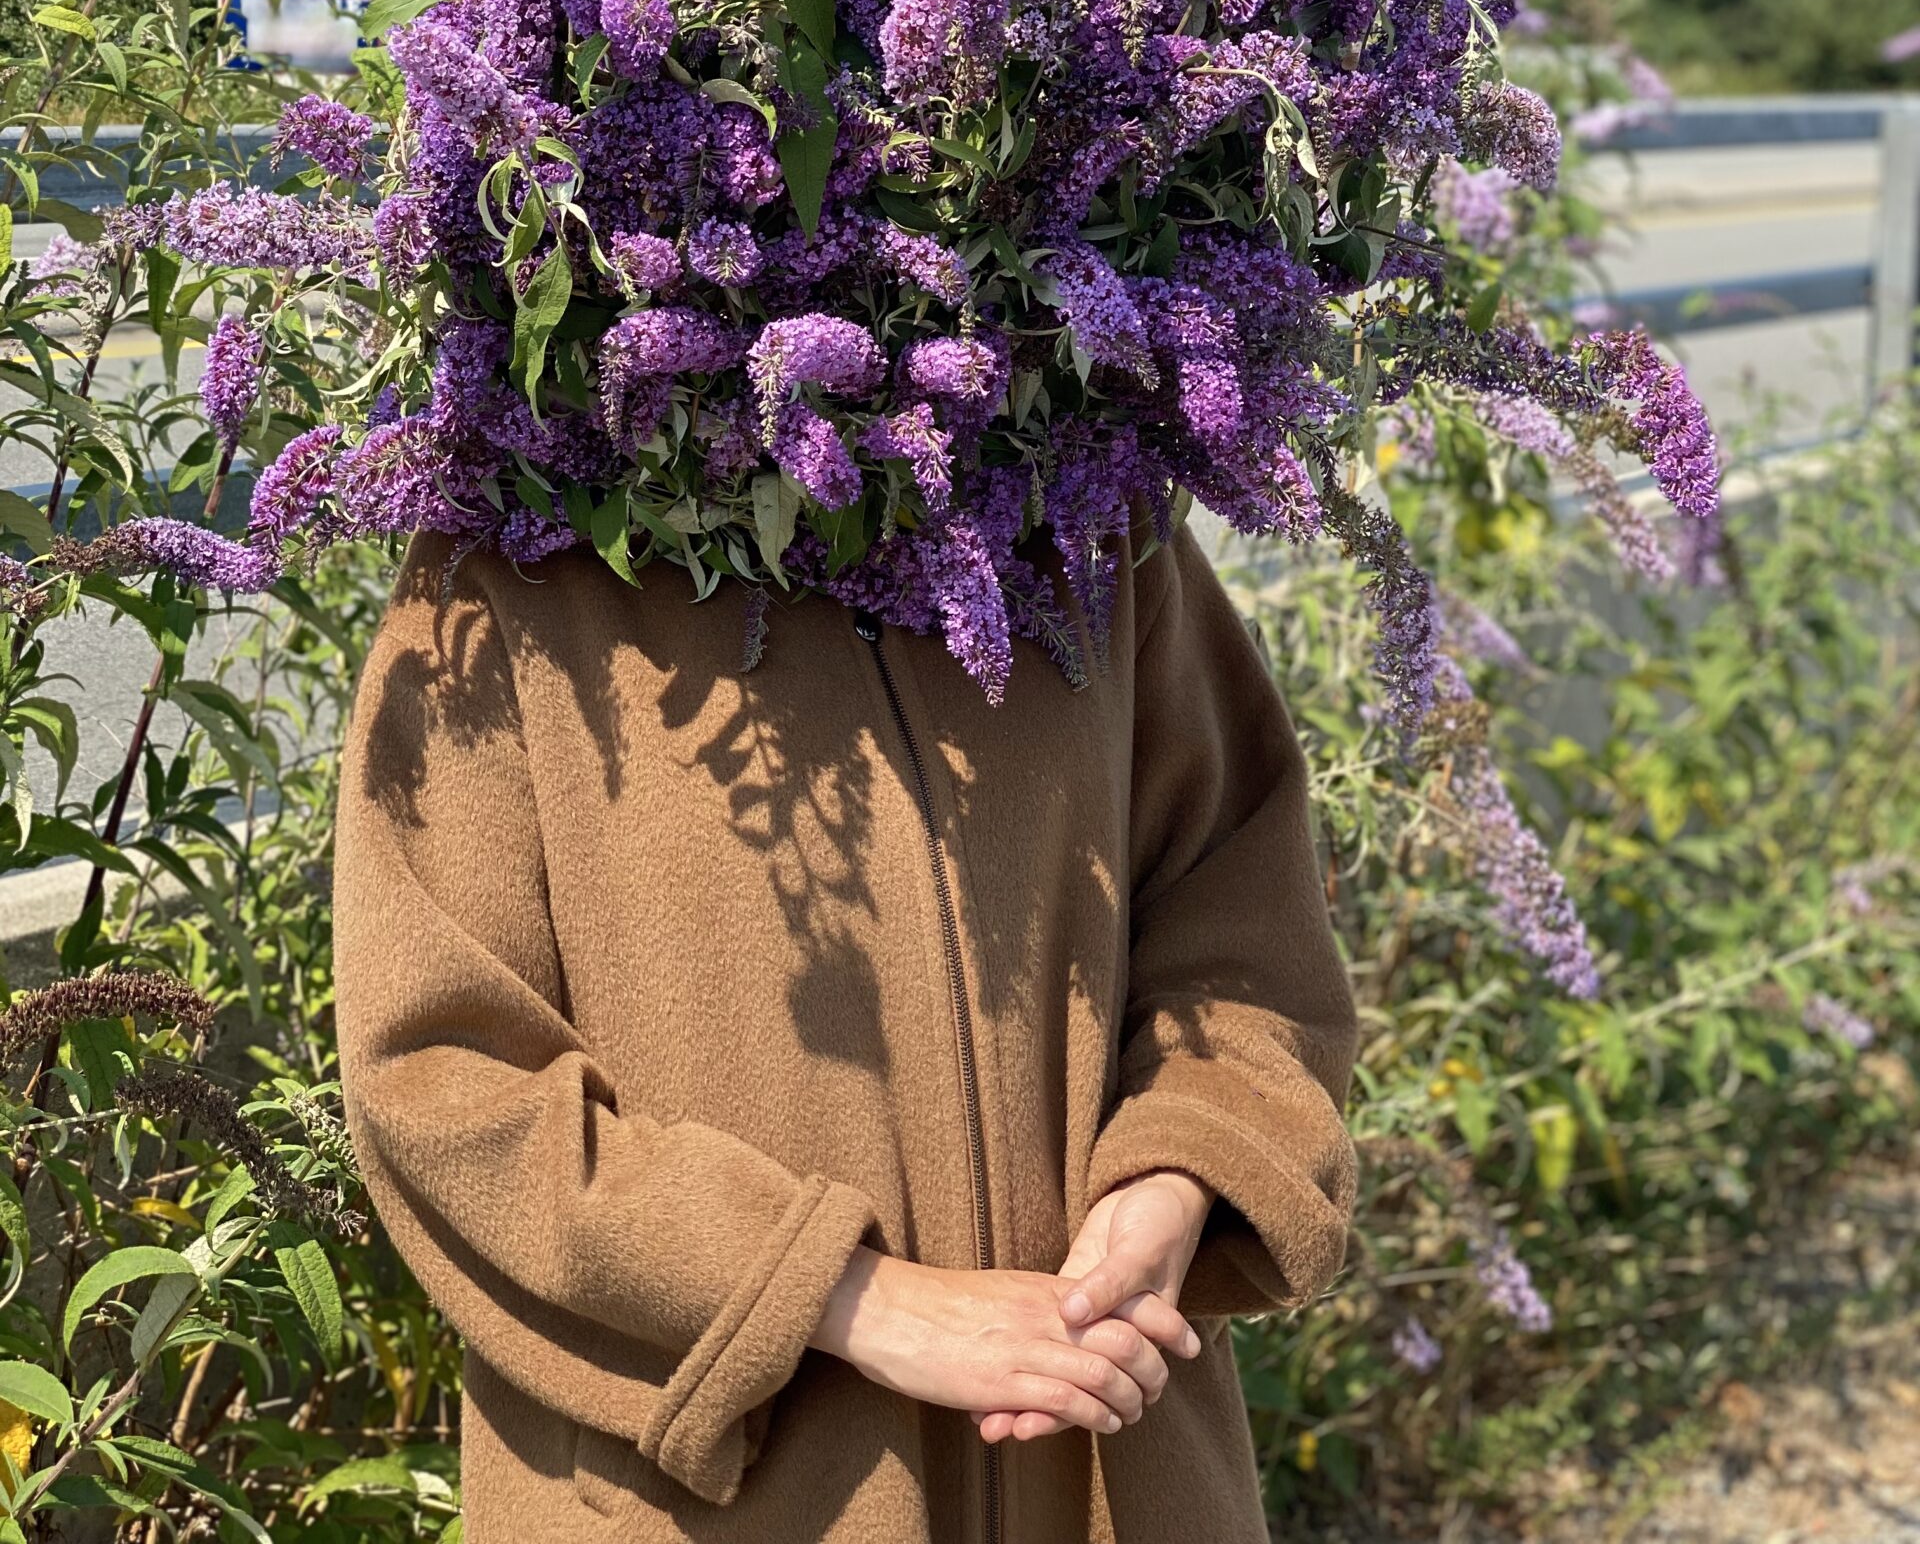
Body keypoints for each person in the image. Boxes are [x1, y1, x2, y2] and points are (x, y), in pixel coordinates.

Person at [333, 514, 1358, 1541]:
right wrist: (843, 1296)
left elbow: (1242, 930)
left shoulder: (1085, 508)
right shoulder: (517, 555)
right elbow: (444, 1076)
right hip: (726, 1501)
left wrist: (1174, 1179)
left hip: (1113, 1468)